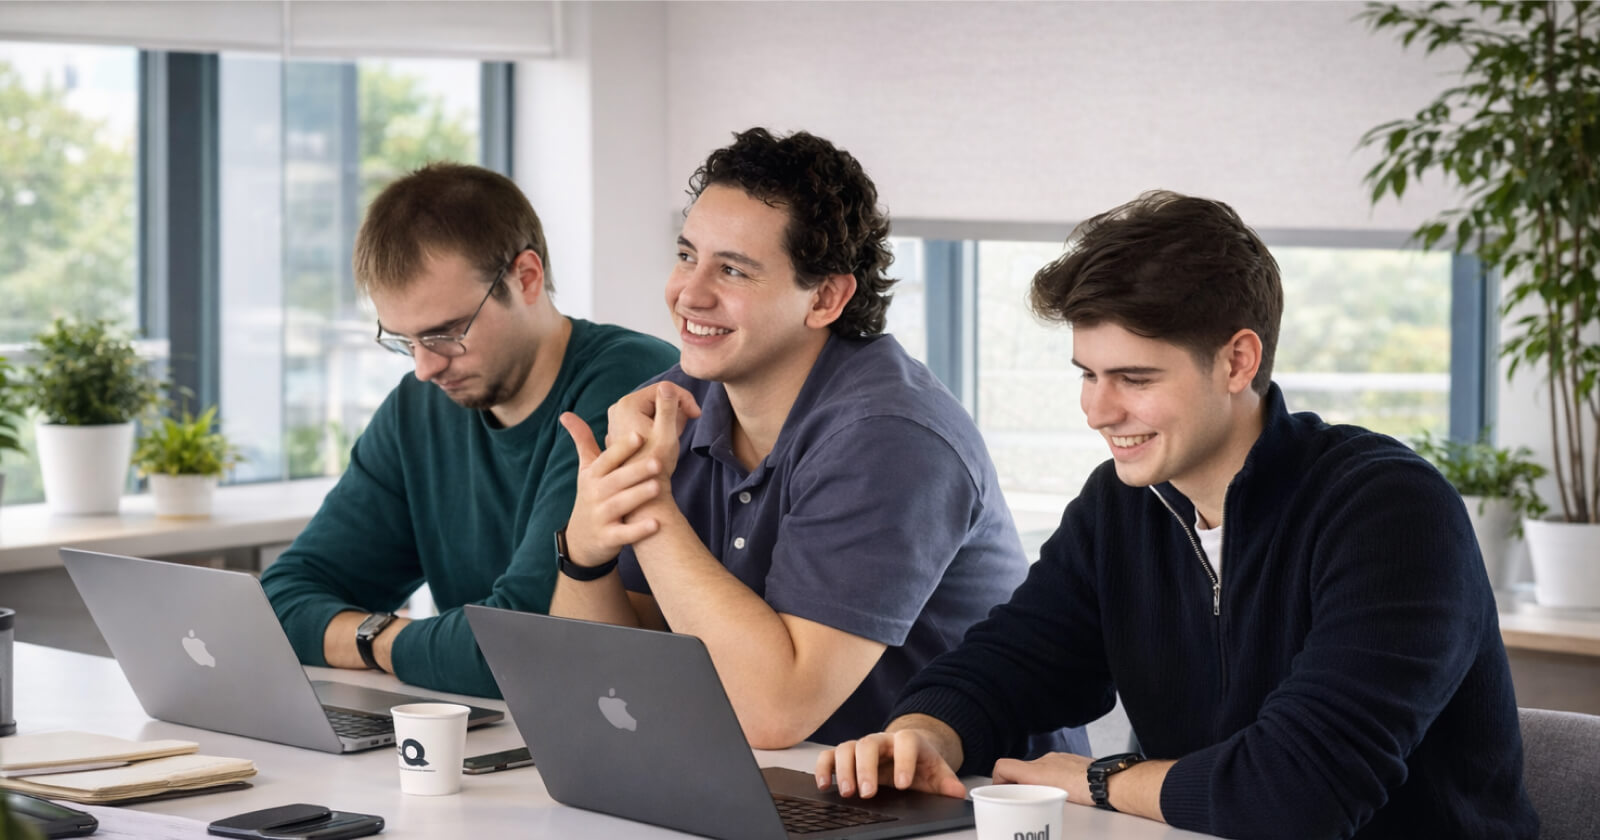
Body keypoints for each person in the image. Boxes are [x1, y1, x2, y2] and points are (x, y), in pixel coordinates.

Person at [819, 191, 1539, 839]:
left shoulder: (1391, 513)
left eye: (1134, 378)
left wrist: (1098, 780)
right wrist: (924, 735)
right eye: (1089, 375)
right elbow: (1010, 663)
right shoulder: (1122, 504)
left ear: (1237, 362)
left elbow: (1297, 797)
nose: (1098, 411)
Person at [550, 128, 1089, 755]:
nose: (689, 293)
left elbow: (775, 712)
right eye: (686, 255)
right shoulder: (672, 408)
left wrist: (648, 503)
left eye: (733, 270)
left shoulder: (891, 439)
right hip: (790, 778)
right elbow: (608, 682)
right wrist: (585, 553)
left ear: (826, 298)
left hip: (969, 794)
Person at [261, 163, 679, 698]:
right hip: (485, 724)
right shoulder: (418, 409)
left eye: (446, 333)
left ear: (525, 277)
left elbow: (522, 641)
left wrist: (378, 642)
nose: (425, 368)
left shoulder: (630, 385)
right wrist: (391, 642)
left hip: (612, 718)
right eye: (404, 341)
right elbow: (280, 602)